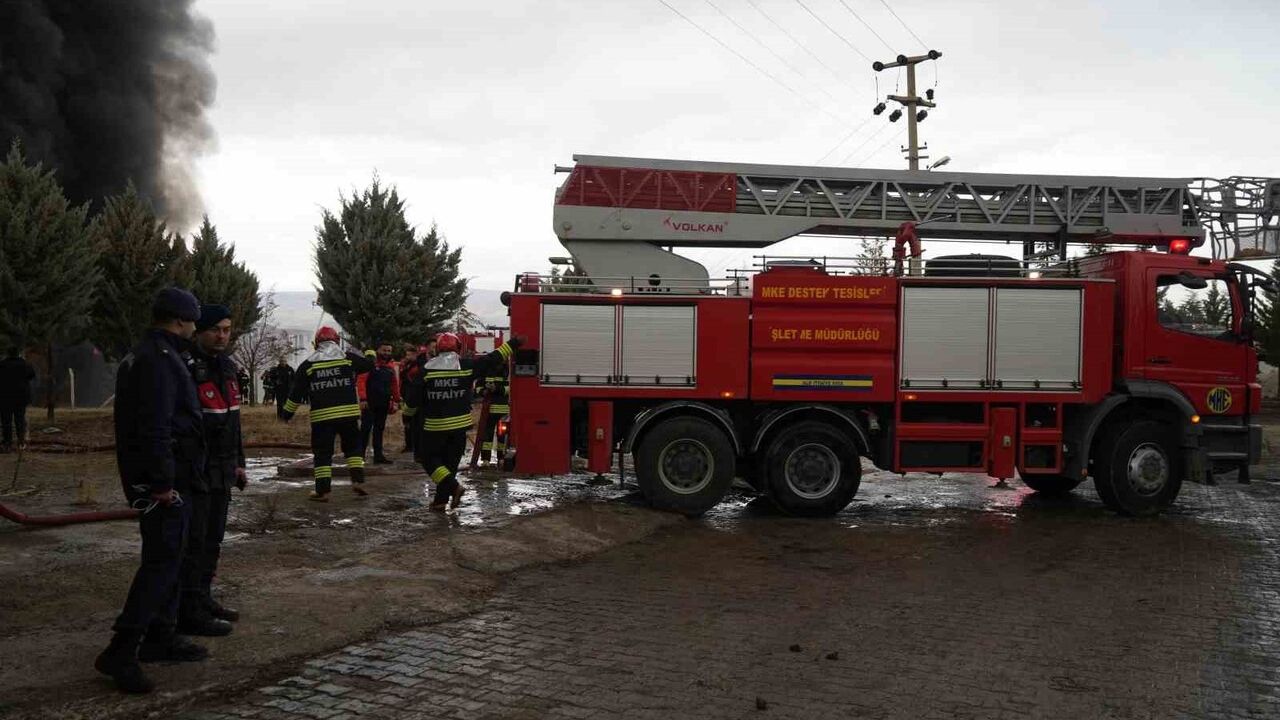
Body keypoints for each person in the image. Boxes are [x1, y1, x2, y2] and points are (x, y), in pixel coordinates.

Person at [96, 288, 208, 694]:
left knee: (170, 559)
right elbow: (155, 427)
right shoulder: (158, 362)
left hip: (171, 477)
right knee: (160, 564)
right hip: (164, 482)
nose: (195, 329)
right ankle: (121, 650)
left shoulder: (150, 354)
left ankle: (161, 637)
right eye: (193, 322)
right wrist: (162, 484)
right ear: (180, 320)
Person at [179, 304, 246, 638]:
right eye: (215, 330)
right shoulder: (186, 367)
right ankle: (188, 609)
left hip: (222, 470)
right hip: (197, 471)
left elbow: (233, 421)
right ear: (199, 330)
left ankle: (203, 598)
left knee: (213, 541)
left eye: (227, 329)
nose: (222, 336)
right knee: (195, 541)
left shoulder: (228, 367)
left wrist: (240, 463)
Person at [417, 332, 520, 511]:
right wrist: (512, 344)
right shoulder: (466, 366)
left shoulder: (426, 370)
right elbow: (490, 359)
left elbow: (413, 400)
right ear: (458, 348)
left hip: (435, 428)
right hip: (459, 429)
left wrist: (408, 416)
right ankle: (441, 501)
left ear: (438, 349)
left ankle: (454, 487)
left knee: (429, 459)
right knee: (449, 465)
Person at [280, 327, 372, 501]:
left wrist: (286, 414)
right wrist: (370, 350)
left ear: (316, 344)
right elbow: (368, 364)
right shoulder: (348, 360)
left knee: (323, 453)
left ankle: (323, 491)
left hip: (322, 418)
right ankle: (358, 482)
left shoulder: (308, 365)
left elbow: (296, 394)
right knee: (353, 449)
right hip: (349, 416)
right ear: (337, 342)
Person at [358, 341, 400, 464]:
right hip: (369, 402)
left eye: (389, 351)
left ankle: (378, 456)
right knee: (365, 429)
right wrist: (363, 399)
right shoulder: (369, 364)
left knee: (379, 429)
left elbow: (394, 385)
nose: (386, 353)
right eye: (384, 350)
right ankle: (360, 456)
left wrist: (397, 400)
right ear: (378, 350)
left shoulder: (390, 367)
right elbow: (361, 382)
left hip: (384, 402)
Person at [0, 346, 36, 452]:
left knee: (6, 421)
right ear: (18, 353)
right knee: (20, 419)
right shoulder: (25, 364)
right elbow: (32, 375)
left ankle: (7, 443)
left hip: (5, 397)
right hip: (21, 397)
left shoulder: (2, 364)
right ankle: (21, 442)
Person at [475, 363, 511, 468]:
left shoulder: (506, 374)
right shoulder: (486, 374)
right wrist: (484, 391)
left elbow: (509, 389)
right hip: (490, 411)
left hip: (501, 411)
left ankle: (500, 458)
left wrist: (496, 388)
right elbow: (477, 388)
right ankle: (487, 459)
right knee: (488, 435)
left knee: (501, 436)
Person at [398, 344, 419, 454]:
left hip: (414, 398)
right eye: (407, 355)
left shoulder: (417, 366)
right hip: (406, 396)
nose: (408, 357)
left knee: (414, 423)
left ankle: (415, 445)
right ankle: (409, 445)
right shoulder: (406, 365)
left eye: (410, 355)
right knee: (407, 422)